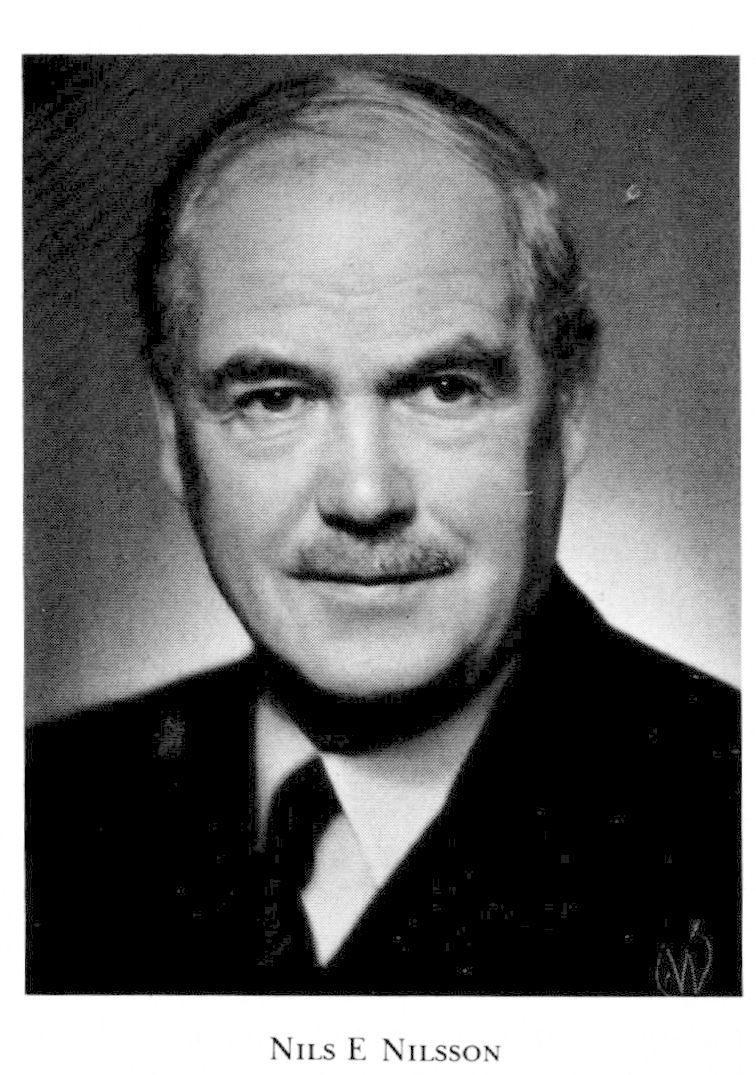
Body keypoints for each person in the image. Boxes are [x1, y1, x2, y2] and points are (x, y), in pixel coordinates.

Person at [26, 66, 740, 996]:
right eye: (274, 397)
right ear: (173, 435)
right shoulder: (40, 806)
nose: (365, 496)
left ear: (566, 407)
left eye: (444, 389)